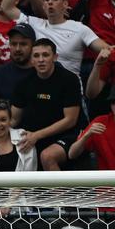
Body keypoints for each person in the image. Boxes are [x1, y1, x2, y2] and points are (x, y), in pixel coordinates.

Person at [1, 0, 106, 75]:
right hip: (40, 84)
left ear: (65, 4)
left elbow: (106, 49)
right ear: (44, 6)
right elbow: (6, 7)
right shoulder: (33, 24)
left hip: (69, 85)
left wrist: (114, 50)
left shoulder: (79, 28)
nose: (50, 2)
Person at [11, 38, 81, 171]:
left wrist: (37, 135)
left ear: (55, 57)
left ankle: (60, 187)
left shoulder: (69, 79)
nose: (41, 60)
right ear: (31, 60)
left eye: (45, 55)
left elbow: (70, 120)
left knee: (47, 156)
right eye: (36, 56)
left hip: (67, 134)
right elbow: (14, 119)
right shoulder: (23, 83)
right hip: (34, 135)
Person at [0, 23, 35, 101]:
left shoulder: (43, 71)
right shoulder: (0, 73)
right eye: (14, 44)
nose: (18, 49)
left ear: (33, 45)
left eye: (23, 44)